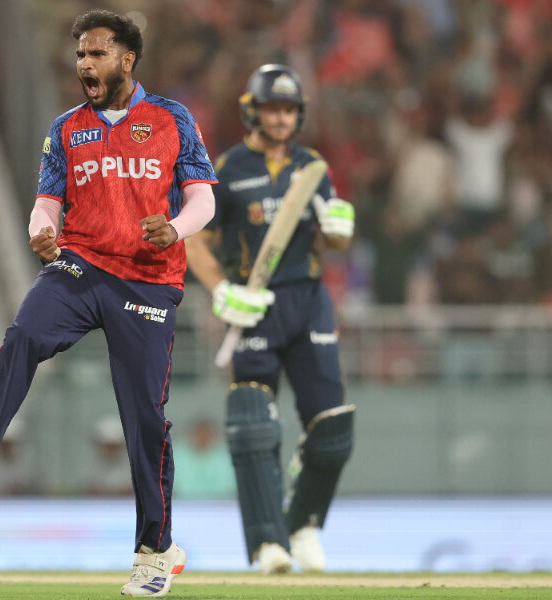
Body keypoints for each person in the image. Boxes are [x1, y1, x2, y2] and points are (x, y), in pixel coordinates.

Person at [0, 9, 216, 597]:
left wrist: (176, 229)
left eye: (96, 53)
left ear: (127, 59)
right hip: (81, 264)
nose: (84, 62)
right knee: (22, 338)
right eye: (80, 53)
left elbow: (203, 199)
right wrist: (41, 229)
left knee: (143, 417)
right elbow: (47, 202)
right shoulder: (65, 129)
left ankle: (155, 552)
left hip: (147, 280)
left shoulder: (172, 119)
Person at [185, 64, 356, 575]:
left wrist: (339, 231)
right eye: (271, 108)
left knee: (332, 427)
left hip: (308, 301)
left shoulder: (313, 167)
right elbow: (194, 239)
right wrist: (222, 291)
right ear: (252, 111)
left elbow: (329, 241)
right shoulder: (228, 168)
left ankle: (302, 526)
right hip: (254, 306)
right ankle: (268, 544)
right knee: (254, 425)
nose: (280, 118)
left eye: (288, 109)